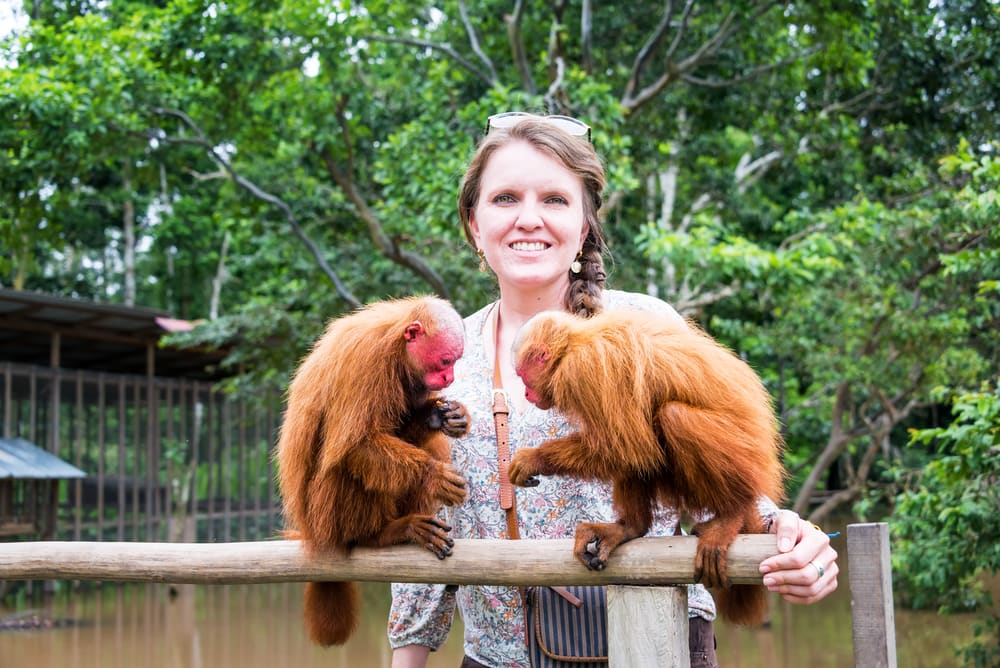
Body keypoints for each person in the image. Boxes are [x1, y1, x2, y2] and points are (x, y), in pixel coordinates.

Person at [388, 112, 839, 668]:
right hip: (499, 657)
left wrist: (791, 535)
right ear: (474, 225)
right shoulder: (443, 352)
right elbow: (428, 524)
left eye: (554, 200)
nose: (529, 218)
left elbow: (709, 456)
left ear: (583, 227)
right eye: (505, 198)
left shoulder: (644, 321)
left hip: (654, 646)